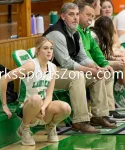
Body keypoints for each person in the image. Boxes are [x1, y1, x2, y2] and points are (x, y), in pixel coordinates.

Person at [43, 2, 116, 133]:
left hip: (64, 71)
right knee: (77, 76)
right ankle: (80, 121)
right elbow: (66, 63)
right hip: (48, 72)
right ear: (63, 16)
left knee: (97, 76)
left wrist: (96, 68)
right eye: (71, 15)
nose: (75, 18)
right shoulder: (56, 33)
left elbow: (82, 57)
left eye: (77, 14)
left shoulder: (75, 32)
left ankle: (99, 115)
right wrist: (90, 70)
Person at [0, 37, 71, 146]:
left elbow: (49, 95)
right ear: (38, 51)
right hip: (26, 108)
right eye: (45, 48)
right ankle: (24, 128)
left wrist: (44, 107)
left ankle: (51, 126)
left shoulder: (53, 67)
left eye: (51, 48)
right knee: (36, 99)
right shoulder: (31, 66)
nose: (49, 51)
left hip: (41, 108)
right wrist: (4, 105)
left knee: (66, 108)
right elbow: (3, 79)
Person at [90, 16, 125, 108]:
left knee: (120, 62)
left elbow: (102, 55)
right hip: (92, 65)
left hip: (98, 62)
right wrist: (114, 61)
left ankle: (111, 107)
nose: (114, 32)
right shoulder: (94, 37)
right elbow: (95, 58)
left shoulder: (101, 36)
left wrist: (116, 58)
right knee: (115, 68)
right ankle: (111, 105)